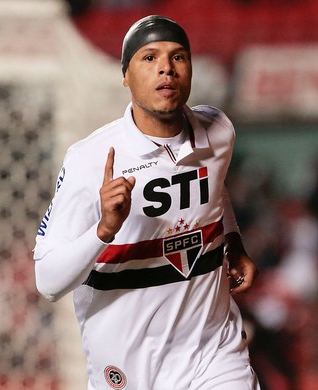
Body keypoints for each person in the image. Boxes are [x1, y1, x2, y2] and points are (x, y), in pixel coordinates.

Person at [33, 15, 261, 390]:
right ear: (125, 75)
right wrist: (104, 230)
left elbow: (215, 188)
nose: (166, 69)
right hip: (129, 366)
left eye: (178, 57)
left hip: (212, 354)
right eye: (150, 58)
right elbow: (48, 281)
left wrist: (233, 240)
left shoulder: (219, 131)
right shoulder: (89, 160)